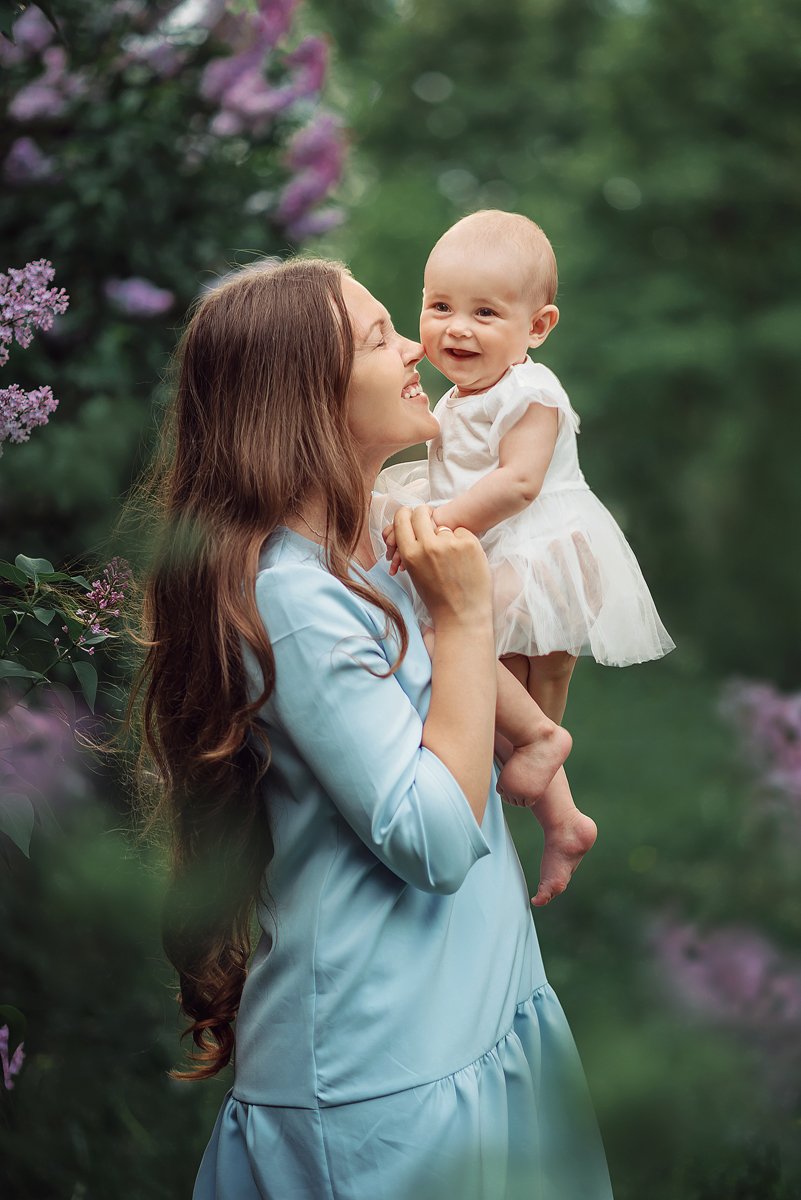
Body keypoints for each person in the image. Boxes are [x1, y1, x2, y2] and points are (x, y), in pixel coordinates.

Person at [130, 256, 614, 1199]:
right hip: (381, 1078)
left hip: (478, 1013)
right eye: (379, 335)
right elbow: (431, 840)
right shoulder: (294, 596)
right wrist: (467, 621)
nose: (415, 348)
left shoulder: (374, 545)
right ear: (301, 396)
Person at [378, 210, 675, 904]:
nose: (456, 328)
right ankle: (564, 821)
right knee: (489, 703)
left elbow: (518, 483)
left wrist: (436, 518)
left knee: (445, 637)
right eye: (439, 306)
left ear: (536, 327)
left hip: (548, 550)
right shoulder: (453, 398)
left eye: (485, 312)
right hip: (502, 551)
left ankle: (545, 739)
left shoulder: (529, 391)